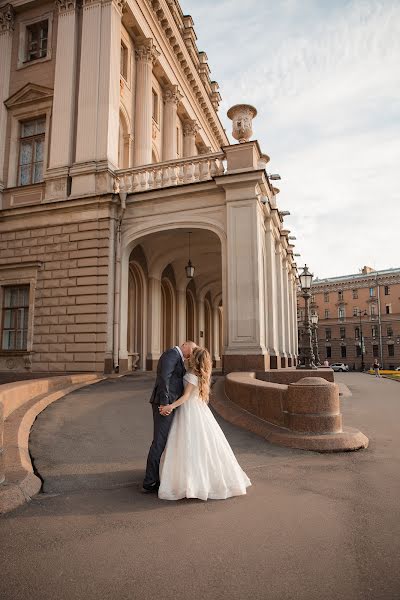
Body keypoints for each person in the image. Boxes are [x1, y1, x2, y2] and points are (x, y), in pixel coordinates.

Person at [157, 347, 251, 501]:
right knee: (201, 445)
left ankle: (191, 483)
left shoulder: (193, 375)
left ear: (196, 358)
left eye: (192, 355)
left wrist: (170, 406)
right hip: (199, 409)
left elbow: (186, 396)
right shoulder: (200, 375)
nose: (190, 356)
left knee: (188, 444)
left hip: (189, 410)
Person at [142, 341, 197, 493]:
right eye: (191, 350)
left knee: (163, 440)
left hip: (169, 404)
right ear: (185, 345)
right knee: (159, 441)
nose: (191, 354)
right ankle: (150, 481)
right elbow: (163, 378)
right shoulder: (172, 354)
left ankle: (156, 476)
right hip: (164, 405)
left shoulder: (178, 358)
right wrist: (165, 404)